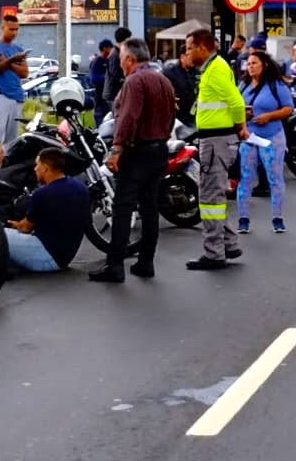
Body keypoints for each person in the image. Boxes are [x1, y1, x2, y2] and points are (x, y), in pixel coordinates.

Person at [94, 37, 178, 282]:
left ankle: (115, 265)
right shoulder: (163, 80)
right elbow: (172, 115)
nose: (120, 65)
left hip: (137, 151)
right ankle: (146, 262)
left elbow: (128, 118)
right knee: (150, 208)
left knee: (123, 207)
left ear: (130, 59)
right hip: (159, 149)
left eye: (121, 60)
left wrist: (117, 149)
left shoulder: (134, 81)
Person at [184, 27, 247, 271]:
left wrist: (241, 127)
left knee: (209, 199)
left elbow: (236, 101)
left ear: (202, 47)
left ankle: (214, 253)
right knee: (216, 198)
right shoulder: (214, 67)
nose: (188, 54)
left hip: (216, 141)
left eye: (190, 48)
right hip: (217, 140)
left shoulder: (216, 69)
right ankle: (229, 244)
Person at [5, 148, 90, 273]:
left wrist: (13, 224)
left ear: (45, 167)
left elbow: (25, 228)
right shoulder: (81, 187)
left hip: (46, 257)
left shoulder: (42, 193)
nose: (35, 169)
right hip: (65, 257)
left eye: (37, 165)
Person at [238, 49, 294, 232]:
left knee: (275, 178)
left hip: (272, 137)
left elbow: (288, 109)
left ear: (265, 65)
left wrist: (269, 116)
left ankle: (278, 219)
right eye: (249, 64)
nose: (251, 67)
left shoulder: (276, 85)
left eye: (254, 63)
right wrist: (243, 116)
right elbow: (236, 107)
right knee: (246, 178)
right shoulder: (243, 86)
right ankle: (243, 220)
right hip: (249, 138)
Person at [0, 15, 28, 144]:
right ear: (3, 28)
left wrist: (9, 62)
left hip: (17, 97)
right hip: (0, 96)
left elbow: (24, 73)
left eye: (16, 29)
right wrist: (12, 61)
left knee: (12, 141)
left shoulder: (18, 49)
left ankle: (7, 164)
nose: (14, 33)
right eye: (11, 29)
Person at [162, 43, 200, 127]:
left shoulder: (197, 71)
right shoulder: (170, 72)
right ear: (182, 57)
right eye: (191, 56)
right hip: (177, 118)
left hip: (194, 116)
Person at [102, 26, 131, 114]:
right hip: (113, 94)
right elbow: (115, 75)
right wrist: (128, 81)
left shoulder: (119, 52)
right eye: (128, 39)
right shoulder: (115, 55)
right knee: (117, 118)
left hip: (115, 93)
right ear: (124, 40)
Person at [88, 40, 114, 123]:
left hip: (109, 97)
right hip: (100, 97)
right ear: (105, 48)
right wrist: (107, 78)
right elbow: (93, 78)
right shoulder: (97, 61)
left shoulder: (110, 60)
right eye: (110, 48)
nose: (111, 50)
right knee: (100, 119)